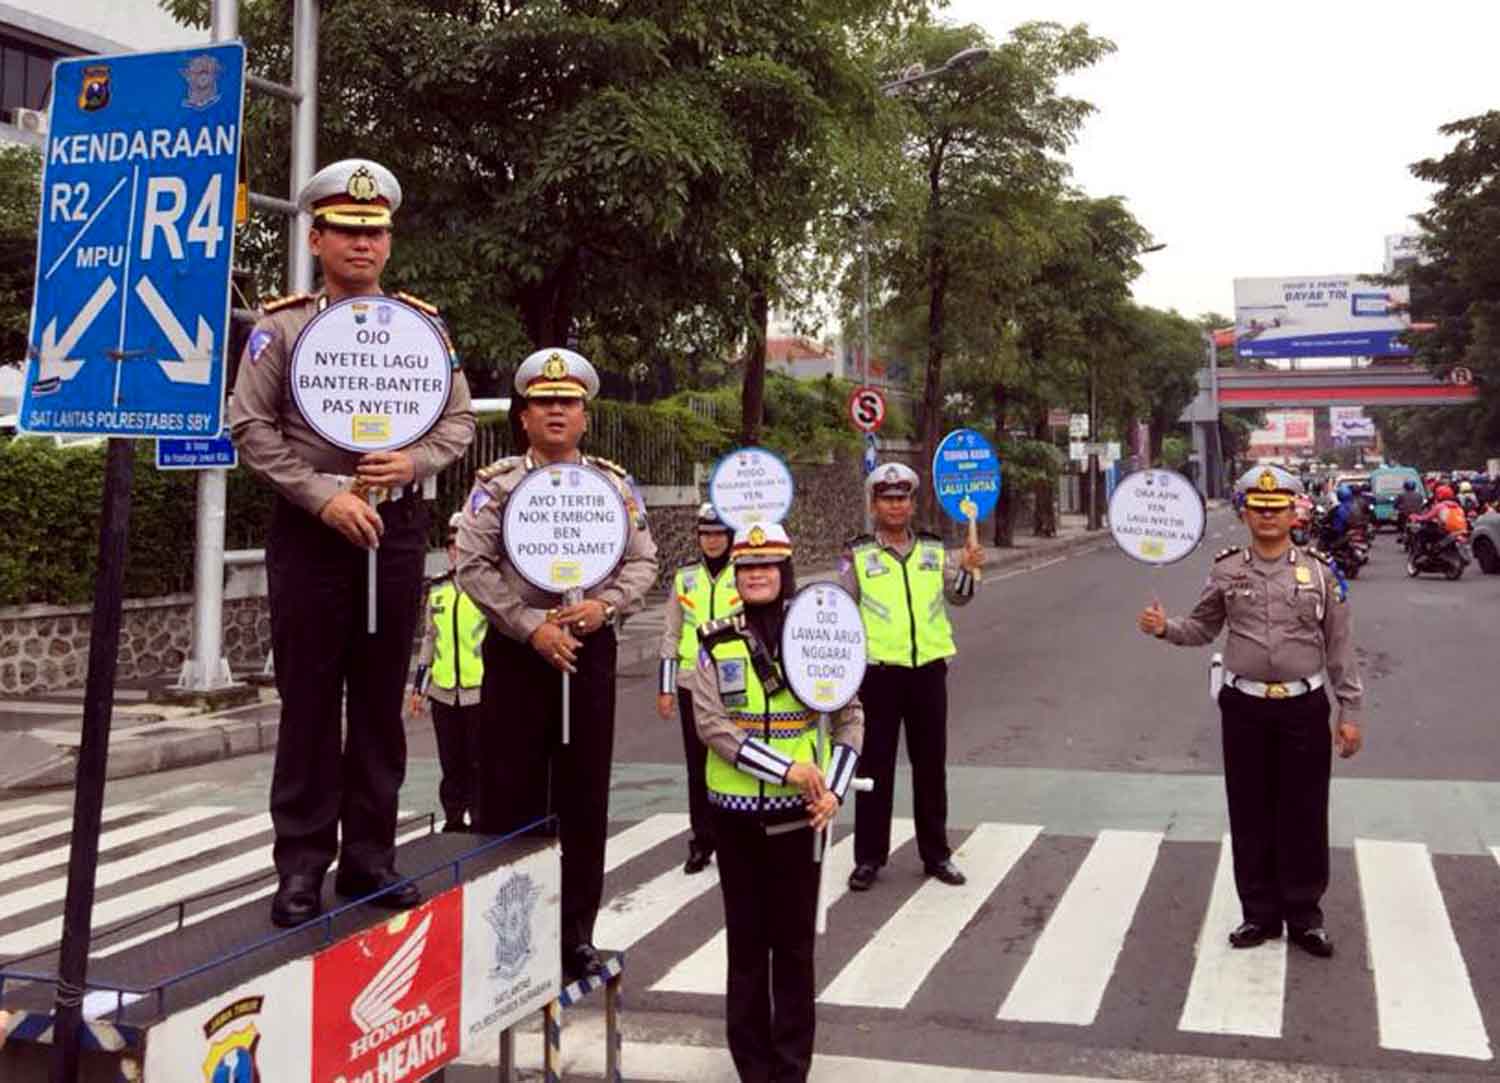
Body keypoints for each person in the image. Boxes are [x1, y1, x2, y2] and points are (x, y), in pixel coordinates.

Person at [230, 159, 476, 928]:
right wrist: (322, 493)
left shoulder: (422, 328)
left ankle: (370, 856)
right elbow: (249, 427)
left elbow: (459, 422)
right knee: (308, 703)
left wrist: (417, 460)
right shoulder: (282, 327)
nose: (362, 244)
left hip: (396, 528)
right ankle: (301, 865)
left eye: (375, 232)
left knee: (378, 702)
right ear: (316, 237)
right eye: (347, 230)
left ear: (389, 242)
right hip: (313, 533)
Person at [455, 348, 659, 981]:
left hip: (589, 649)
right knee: (510, 796)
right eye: (543, 402)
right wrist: (529, 625)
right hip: (520, 655)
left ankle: (576, 935)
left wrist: (605, 607)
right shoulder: (496, 486)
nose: (555, 412)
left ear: (585, 417)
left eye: (568, 403)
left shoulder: (613, 485)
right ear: (523, 416)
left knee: (584, 798)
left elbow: (644, 562)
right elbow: (471, 566)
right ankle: (507, 942)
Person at [1137, 465, 1363, 958]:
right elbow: (1201, 628)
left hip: (1303, 706)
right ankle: (1259, 913)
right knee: (1250, 809)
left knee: (1304, 812)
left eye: (1276, 508)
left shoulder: (1320, 575)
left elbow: (1340, 648)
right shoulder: (1226, 571)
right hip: (1244, 708)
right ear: (1244, 513)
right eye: (1258, 509)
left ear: (1293, 513)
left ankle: (1305, 915)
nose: (1267, 516)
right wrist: (1162, 627)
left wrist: (1349, 710)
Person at [691, 521, 862, 1083]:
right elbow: (712, 726)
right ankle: (752, 1067)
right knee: (745, 946)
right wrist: (788, 768)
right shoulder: (716, 640)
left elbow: (850, 718)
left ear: (784, 572)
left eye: (767, 565)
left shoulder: (816, 634)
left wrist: (832, 789)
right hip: (735, 817)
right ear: (736, 576)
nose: (756, 574)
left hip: (799, 821)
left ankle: (791, 1068)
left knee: (792, 950)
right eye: (747, 566)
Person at [840, 462, 984, 893]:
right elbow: (843, 613)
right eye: (887, 498)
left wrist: (969, 569)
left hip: (928, 673)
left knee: (930, 766)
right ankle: (868, 857)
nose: (895, 506)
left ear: (912, 503)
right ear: (874, 504)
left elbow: (960, 598)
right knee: (874, 768)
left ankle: (936, 853)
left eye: (902, 498)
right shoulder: (857, 555)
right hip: (878, 675)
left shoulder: (933, 550)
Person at [656, 502, 739, 874]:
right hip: (692, 683)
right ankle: (702, 841)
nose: (712, 540)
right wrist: (665, 688)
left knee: (734, 759)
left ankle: (733, 837)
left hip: (736, 683)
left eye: (718, 533)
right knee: (698, 766)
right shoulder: (685, 577)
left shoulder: (745, 573)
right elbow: (671, 633)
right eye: (705, 534)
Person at [409, 513, 487, 833]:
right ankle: (454, 818)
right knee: (451, 761)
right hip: (444, 690)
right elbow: (430, 639)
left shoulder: (485, 587)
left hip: (478, 690)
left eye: (462, 545)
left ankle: (482, 817)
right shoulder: (439, 588)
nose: (456, 551)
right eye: (451, 545)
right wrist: (419, 688)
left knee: (479, 760)